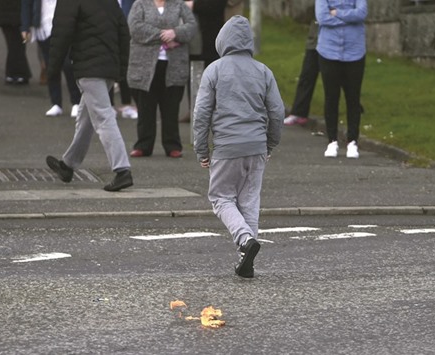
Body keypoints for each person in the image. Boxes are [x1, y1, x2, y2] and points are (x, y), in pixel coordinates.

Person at [193, 16, 284, 278]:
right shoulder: (263, 71)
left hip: (227, 146)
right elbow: (276, 111)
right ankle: (247, 259)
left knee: (221, 197)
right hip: (256, 147)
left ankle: (245, 241)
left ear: (222, 40)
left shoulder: (214, 70)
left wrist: (201, 150)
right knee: (249, 201)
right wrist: (270, 144)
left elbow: (201, 114)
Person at [45, 0, 134, 192]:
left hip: (88, 69)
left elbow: (61, 35)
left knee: (103, 118)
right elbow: (123, 33)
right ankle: (68, 166)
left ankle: (122, 170)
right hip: (109, 69)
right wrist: (121, 70)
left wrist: (52, 70)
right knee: (86, 119)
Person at [127, 0, 196, 158]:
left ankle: (172, 146)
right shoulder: (140, 4)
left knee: (171, 107)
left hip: (174, 66)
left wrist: (176, 33)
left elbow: (191, 26)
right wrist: (163, 35)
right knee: (145, 107)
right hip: (144, 67)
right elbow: (135, 28)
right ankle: (143, 146)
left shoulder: (179, 5)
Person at [316, 0, 368, 159]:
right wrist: (349, 18)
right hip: (328, 51)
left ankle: (352, 141)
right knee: (331, 97)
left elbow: (361, 13)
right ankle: (332, 140)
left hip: (355, 52)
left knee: (353, 98)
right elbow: (322, 17)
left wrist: (337, 12)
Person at [21, 0, 81, 118]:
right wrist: (25, 26)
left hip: (66, 24)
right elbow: (26, 3)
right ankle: (56, 103)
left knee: (68, 64)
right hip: (44, 24)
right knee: (51, 66)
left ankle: (76, 102)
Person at [284, 19, 319, 127]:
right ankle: (298, 113)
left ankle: (354, 109)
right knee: (306, 76)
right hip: (315, 42)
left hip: (334, 44)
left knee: (339, 79)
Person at [0, 0, 32, 85]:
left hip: (5, 11)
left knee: (14, 43)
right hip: (16, 12)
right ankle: (18, 73)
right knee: (17, 43)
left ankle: (14, 73)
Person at [112, 0, 139, 120]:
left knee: (126, 67)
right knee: (108, 68)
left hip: (128, 36)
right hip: (107, 33)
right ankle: (109, 105)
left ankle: (127, 104)